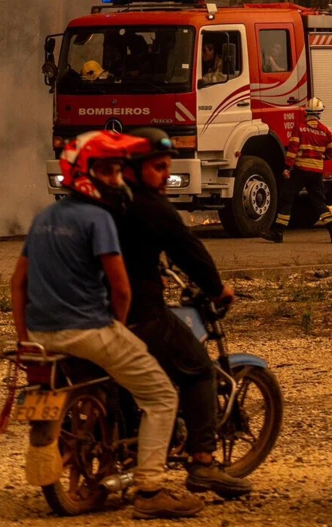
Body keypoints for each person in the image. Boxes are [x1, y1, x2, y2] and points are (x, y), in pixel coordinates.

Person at [9, 131, 202, 520]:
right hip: (87, 330)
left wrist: (24, 336)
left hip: (42, 335)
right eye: (107, 171)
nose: (115, 178)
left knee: (114, 379)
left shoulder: (43, 218)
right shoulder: (99, 219)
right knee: (162, 396)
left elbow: (18, 282)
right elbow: (121, 288)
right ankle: (150, 489)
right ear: (85, 173)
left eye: (117, 169)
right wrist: (118, 327)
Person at [116, 127, 254, 499]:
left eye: (168, 167)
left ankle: (130, 448)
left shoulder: (106, 203)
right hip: (142, 314)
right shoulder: (151, 207)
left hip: (98, 315)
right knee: (198, 369)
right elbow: (189, 252)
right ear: (132, 168)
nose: (166, 175)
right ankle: (203, 464)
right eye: (158, 167)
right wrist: (217, 288)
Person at [260, 98, 332, 244]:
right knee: (319, 202)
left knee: (287, 199)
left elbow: (292, 150)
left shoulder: (299, 127)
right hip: (316, 172)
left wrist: (288, 168)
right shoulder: (325, 131)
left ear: (306, 112)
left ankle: (278, 233)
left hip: (301, 170)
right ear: (320, 113)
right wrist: (320, 156)